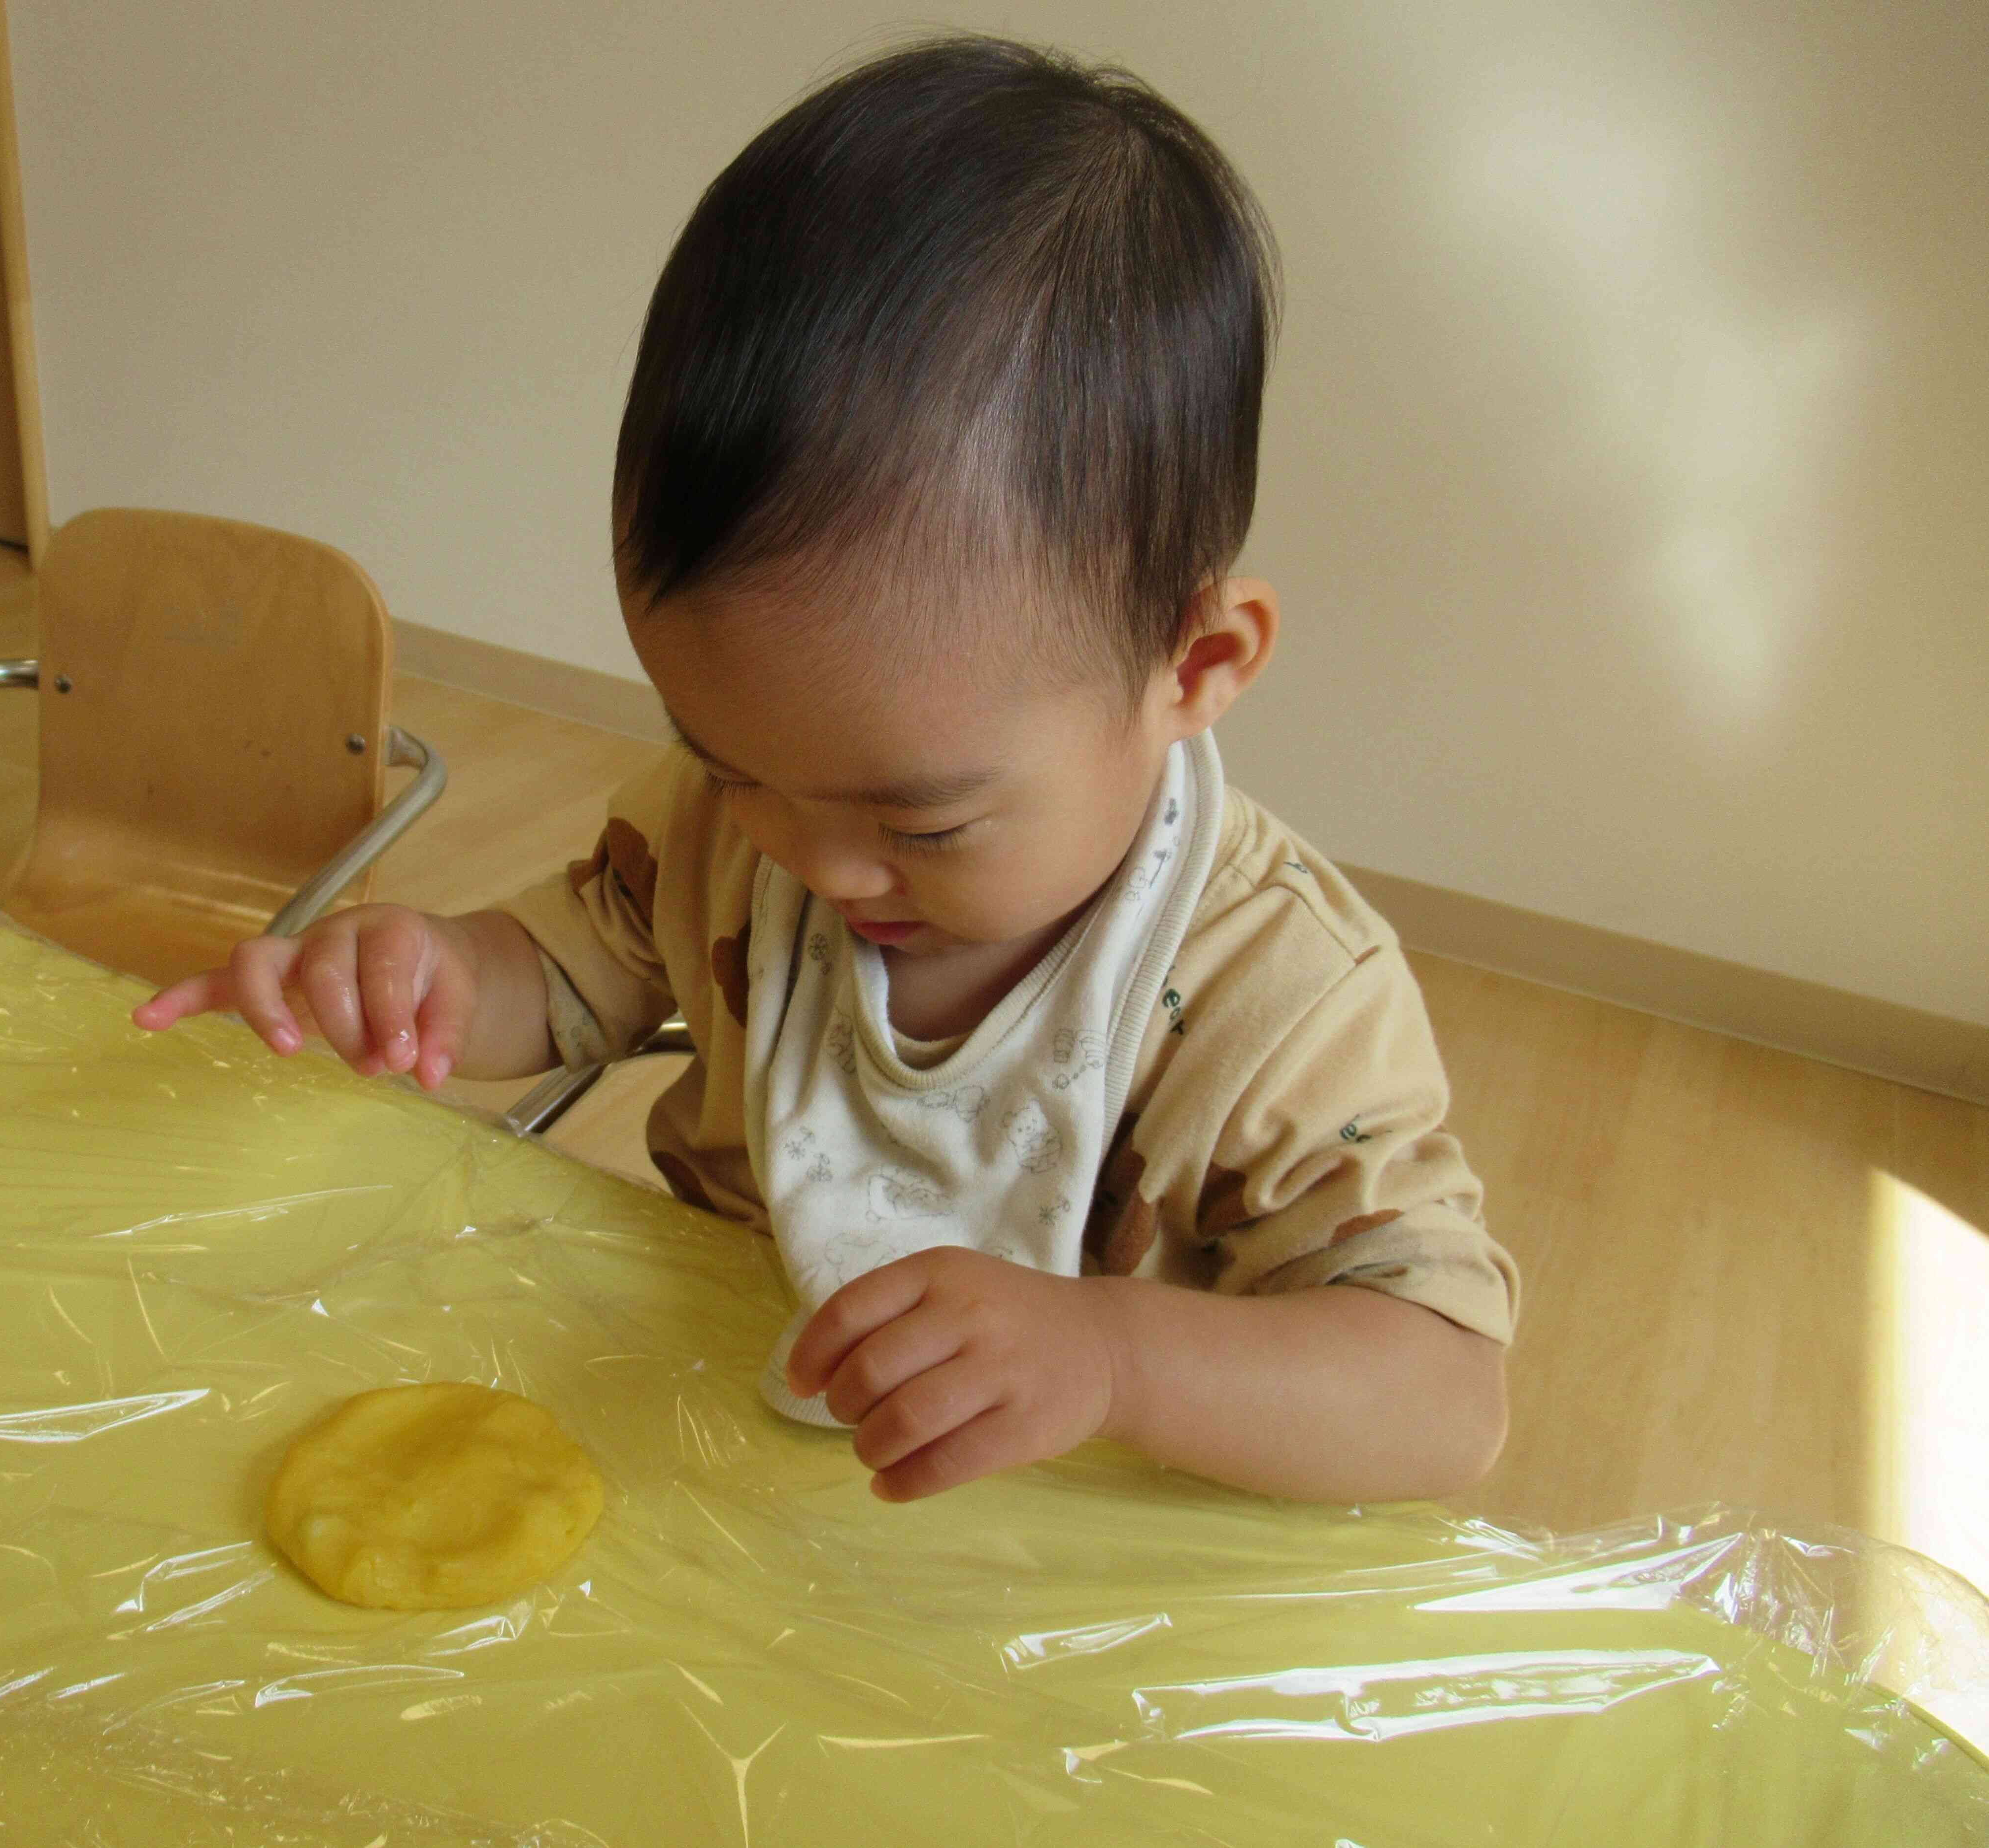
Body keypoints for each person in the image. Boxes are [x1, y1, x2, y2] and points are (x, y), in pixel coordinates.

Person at [135, 35, 1517, 1508]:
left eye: (920, 819)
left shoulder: (1282, 999)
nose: (812, 863)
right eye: (727, 767)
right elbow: (579, 967)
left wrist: (1115, 1359)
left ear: (1194, 667)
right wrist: (427, 979)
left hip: (1069, 1547)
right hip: (730, 1451)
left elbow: (1446, 1395)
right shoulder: (767, 818)